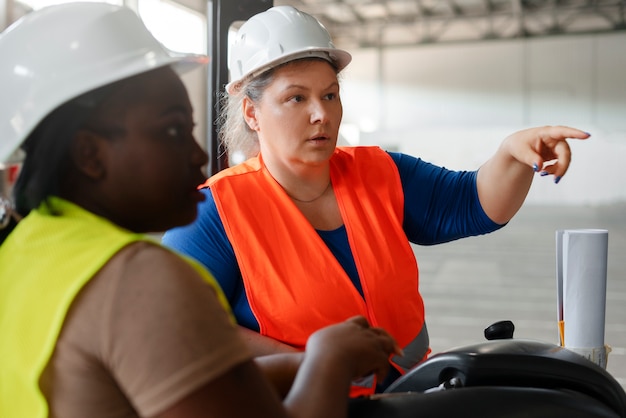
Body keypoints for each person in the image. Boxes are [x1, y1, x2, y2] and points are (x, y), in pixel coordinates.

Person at [162, 4, 591, 395]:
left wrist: (511, 154)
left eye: (330, 94)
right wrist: (316, 363)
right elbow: (183, 331)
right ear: (252, 113)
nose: (321, 114)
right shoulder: (214, 213)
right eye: (296, 98)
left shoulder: (381, 172)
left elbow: (472, 204)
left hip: (406, 397)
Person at [0, 3, 401, 418]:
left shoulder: (23, 252)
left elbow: (192, 385)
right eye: (172, 130)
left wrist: (303, 364)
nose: (196, 155)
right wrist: (327, 359)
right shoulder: (138, 278)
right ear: (89, 154)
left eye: (330, 95)